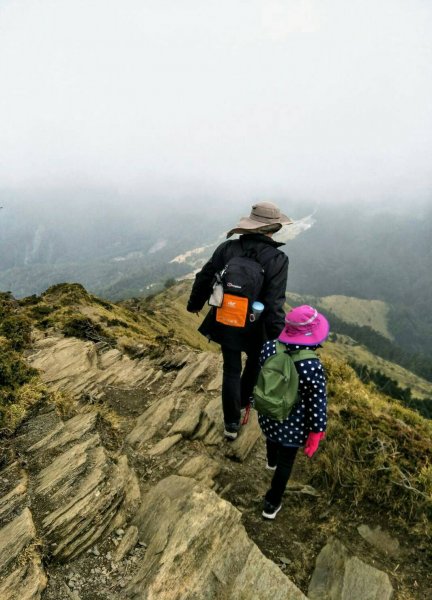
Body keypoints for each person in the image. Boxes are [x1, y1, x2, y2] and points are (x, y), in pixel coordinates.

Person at [186, 201, 292, 440]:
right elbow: (275, 303)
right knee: (254, 363)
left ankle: (231, 424)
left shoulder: (227, 249)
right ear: (274, 228)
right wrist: (280, 339)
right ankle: (245, 400)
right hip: (257, 324)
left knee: (231, 369)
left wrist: (194, 304)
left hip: (226, 319)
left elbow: (204, 276)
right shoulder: (278, 259)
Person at [257, 304, 329, 520]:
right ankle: (271, 504)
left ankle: (271, 461)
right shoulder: (311, 365)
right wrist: (317, 431)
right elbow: (317, 401)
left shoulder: (269, 347)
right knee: (286, 463)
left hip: (268, 412)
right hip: (293, 425)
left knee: (271, 438)